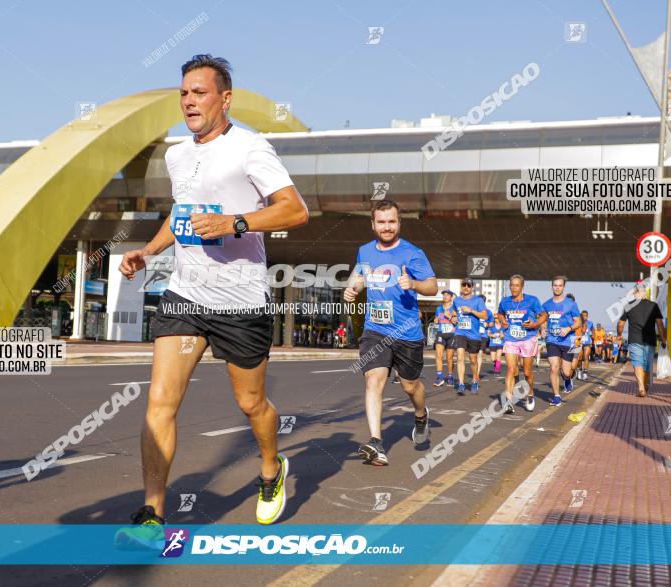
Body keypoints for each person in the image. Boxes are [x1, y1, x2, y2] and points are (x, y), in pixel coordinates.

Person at [115, 54, 309, 544]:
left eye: (199, 92)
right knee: (160, 401)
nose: (189, 101)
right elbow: (181, 210)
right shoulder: (176, 154)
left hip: (240, 301)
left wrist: (235, 222)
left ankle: (271, 468)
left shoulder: (250, 148)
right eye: (183, 93)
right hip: (185, 296)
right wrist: (150, 250)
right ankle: (152, 516)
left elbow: (295, 210)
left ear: (225, 99)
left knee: (251, 403)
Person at [344, 199, 438, 466]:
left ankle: (421, 415)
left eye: (391, 221)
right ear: (373, 224)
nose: (386, 227)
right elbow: (361, 276)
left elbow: (433, 287)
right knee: (373, 380)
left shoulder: (413, 253)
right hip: (375, 329)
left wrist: (415, 284)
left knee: (410, 386)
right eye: (381, 222)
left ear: (399, 223)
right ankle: (376, 443)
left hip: (407, 332)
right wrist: (353, 288)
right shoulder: (364, 251)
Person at [497, 275, 547, 413]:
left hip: (528, 338)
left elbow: (544, 315)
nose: (513, 288)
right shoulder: (505, 301)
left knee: (527, 372)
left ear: (522, 287)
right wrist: (502, 321)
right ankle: (508, 401)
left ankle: (530, 394)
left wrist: (535, 324)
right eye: (511, 285)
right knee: (511, 370)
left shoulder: (532, 300)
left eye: (517, 285)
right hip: (511, 339)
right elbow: (500, 313)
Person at [617, 283, 666, 397]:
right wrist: (663, 340)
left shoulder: (628, 305)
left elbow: (621, 324)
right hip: (650, 341)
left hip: (634, 340)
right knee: (647, 365)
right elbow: (660, 325)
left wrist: (619, 335)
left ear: (635, 293)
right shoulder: (653, 306)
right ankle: (644, 386)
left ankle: (641, 387)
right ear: (645, 293)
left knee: (637, 363)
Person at [542, 276, 582, 406]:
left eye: (560, 285)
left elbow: (578, 322)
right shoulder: (546, 304)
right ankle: (557, 396)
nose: (557, 288)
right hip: (552, 340)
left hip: (566, 340)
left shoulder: (571, 304)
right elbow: (543, 320)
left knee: (566, 371)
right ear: (551, 286)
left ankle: (567, 378)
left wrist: (568, 328)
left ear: (563, 287)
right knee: (554, 367)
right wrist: (543, 329)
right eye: (555, 285)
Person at [451, 278, 488, 395]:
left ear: (472, 288)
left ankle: (474, 380)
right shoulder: (456, 300)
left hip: (474, 335)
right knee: (460, 356)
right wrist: (454, 318)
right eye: (464, 285)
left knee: (473, 360)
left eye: (468, 285)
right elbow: (454, 313)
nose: (466, 287)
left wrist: (471, 310)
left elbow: (485, 316)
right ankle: (461, 383)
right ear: (461, 287)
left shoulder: (478, 301)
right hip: (460, 332)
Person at [432, 290, 457, 387]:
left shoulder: (454, 308)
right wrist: (436, 320)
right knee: (438, 356)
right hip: (441, 333)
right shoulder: (439, 308)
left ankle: (450, 376)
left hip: (451, 335)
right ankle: (440, 377)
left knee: (449, 358)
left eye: (447, 295)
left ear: (451, 297)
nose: (445, 296)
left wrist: (449, 317)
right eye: (444, 295)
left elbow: (457, 322)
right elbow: (436, 320)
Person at [476, 294, 494, 376]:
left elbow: (491, 323)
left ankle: (477, 373)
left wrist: (487, 325)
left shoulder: (488, 312)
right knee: (473, 355)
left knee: (480, 354)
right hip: (473, 335)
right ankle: (475, 371)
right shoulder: (473, 311)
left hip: (483, 335)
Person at [577, 310, 594, 380]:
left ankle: (585, 373)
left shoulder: (590, 323)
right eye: (583, 316)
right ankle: (579, 370)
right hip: (579, 342)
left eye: (586, 316)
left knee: (586, 356)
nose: (584, 317)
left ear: (587, 316)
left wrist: (593, 335)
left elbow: (593, 330)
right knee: (579, 358)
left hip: (587, 342)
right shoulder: (578, 323)